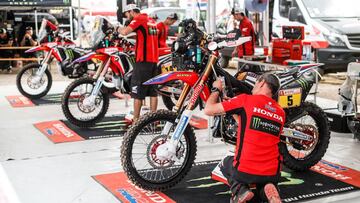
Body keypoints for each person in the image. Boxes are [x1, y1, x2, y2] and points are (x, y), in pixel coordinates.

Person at [204, 73, 285, 203]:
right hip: (272, 172)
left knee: (226, 162)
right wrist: (233, 109)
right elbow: (252, 125)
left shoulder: (245, 100)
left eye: (256, 82)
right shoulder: (280, 112)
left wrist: (216, 89)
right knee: (262, 185)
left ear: (262, 83)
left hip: (246, 170)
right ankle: (268, 187)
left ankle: (240, 190)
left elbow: (208, 110)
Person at [117, 4, 159, 122]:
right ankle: (154, 119)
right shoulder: (150, 20)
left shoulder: (139, 19)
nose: (127, 18)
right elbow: (144, 36)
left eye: (126, 15)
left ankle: (135, 120)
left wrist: (116, 28)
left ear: (130, 11)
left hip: (143, 61)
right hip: (153, 60)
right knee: (153, 91)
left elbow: (125, 31)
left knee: (137, 91)